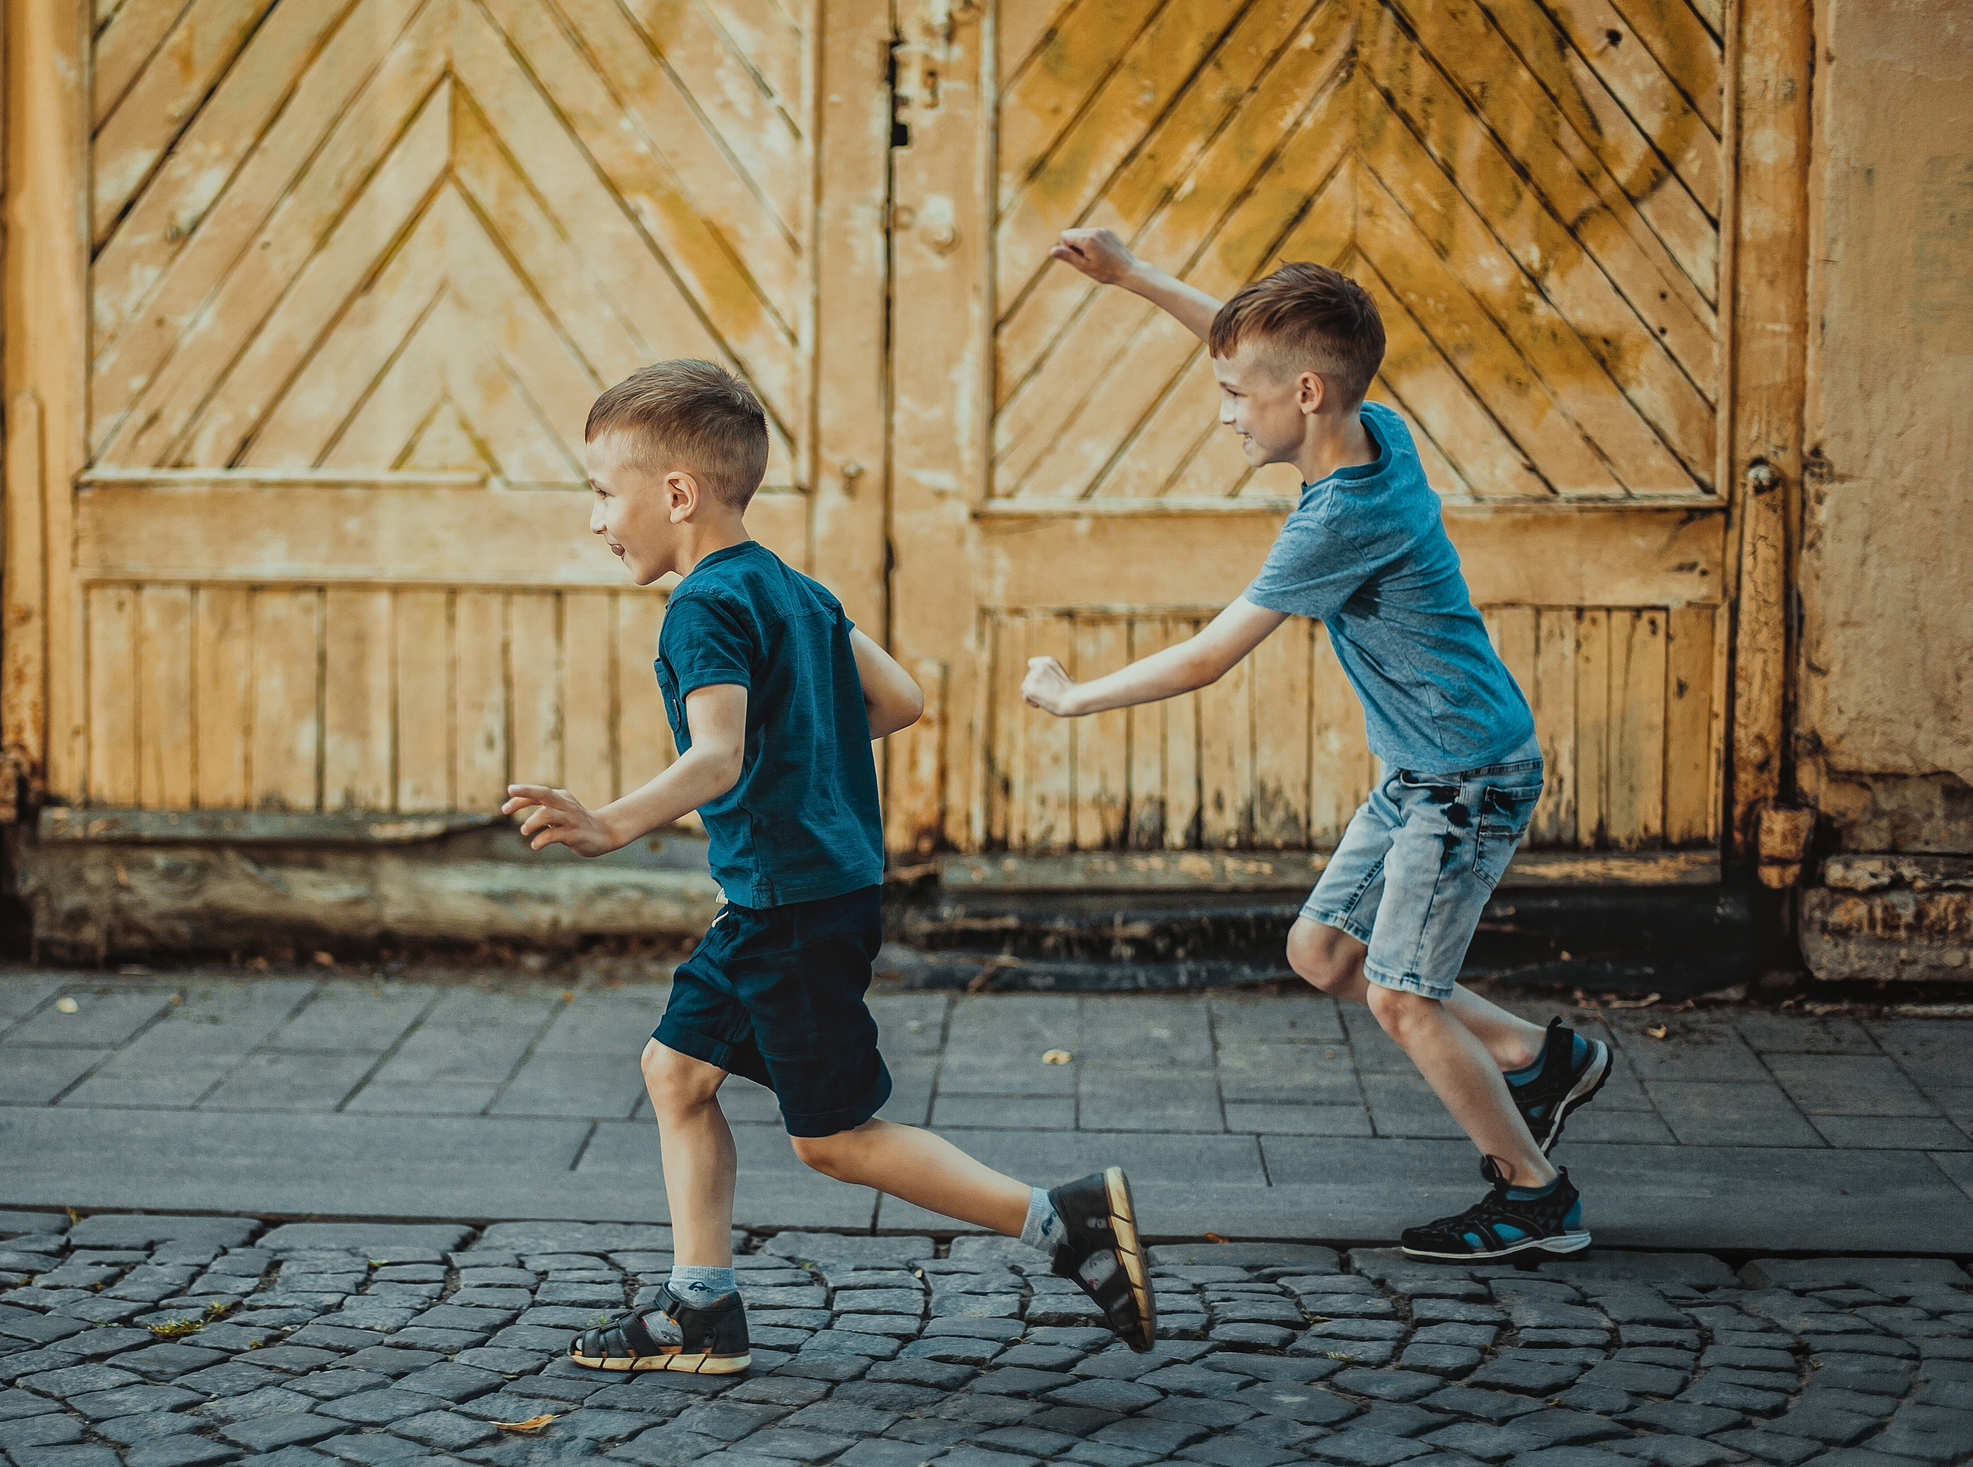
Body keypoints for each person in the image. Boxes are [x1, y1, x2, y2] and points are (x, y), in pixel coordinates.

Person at [504, 359, 1156, 1372]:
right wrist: (804, 745)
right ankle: (700, 1308)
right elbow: (900, 700)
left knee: (834, 1139)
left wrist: (608, 824)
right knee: (676, 1072)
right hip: (804, 893)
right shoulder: (793, 589)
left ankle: (1061, 1221)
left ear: (675, 493)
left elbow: (716, 757)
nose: (596, 520)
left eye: (601, 494)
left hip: (787, 908)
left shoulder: (701, 608)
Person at [1020, 234, 1612, 1265]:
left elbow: (1208, 658)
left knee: (1401, 997)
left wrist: (1077, 700)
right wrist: (1131, 276)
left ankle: (1536, 1195)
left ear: (1303, 396)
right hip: (1428, 770)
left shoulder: (1338, 520)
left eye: (1232, 398)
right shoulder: (1377, 428)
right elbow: (1260, 348)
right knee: (1324, 953)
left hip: (1466, 780)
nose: (1223, 413)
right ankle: (1536, 1055)